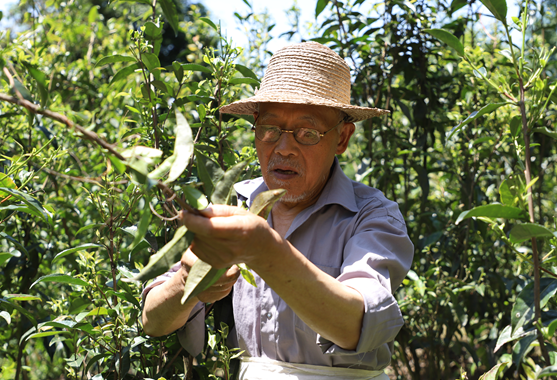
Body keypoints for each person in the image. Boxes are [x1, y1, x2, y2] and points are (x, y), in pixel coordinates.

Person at [142, 41, 414, 380]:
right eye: (270, 129)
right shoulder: (236, 206)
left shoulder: (370, 216)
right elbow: (152, 321)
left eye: (308, 132)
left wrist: (264, 251)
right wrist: (187, 282)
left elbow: (358, 324)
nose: (284, 148)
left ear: (342, 138)